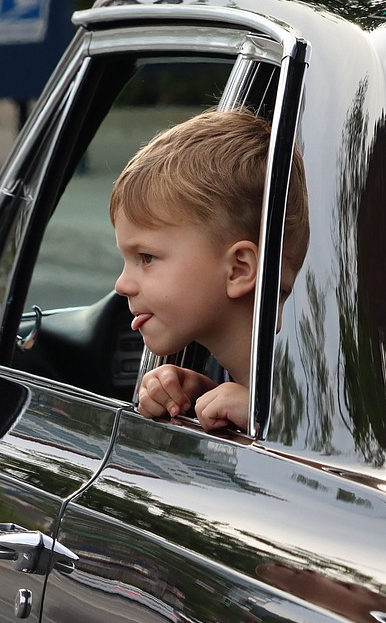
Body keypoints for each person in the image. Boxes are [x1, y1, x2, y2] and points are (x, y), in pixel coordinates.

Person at [111, 108, 309, 431]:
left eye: (146, 257)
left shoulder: (323, 380)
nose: (121, 284)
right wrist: (203, 395)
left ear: (239, 270)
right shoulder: (303, 363)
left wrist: (273, 419)